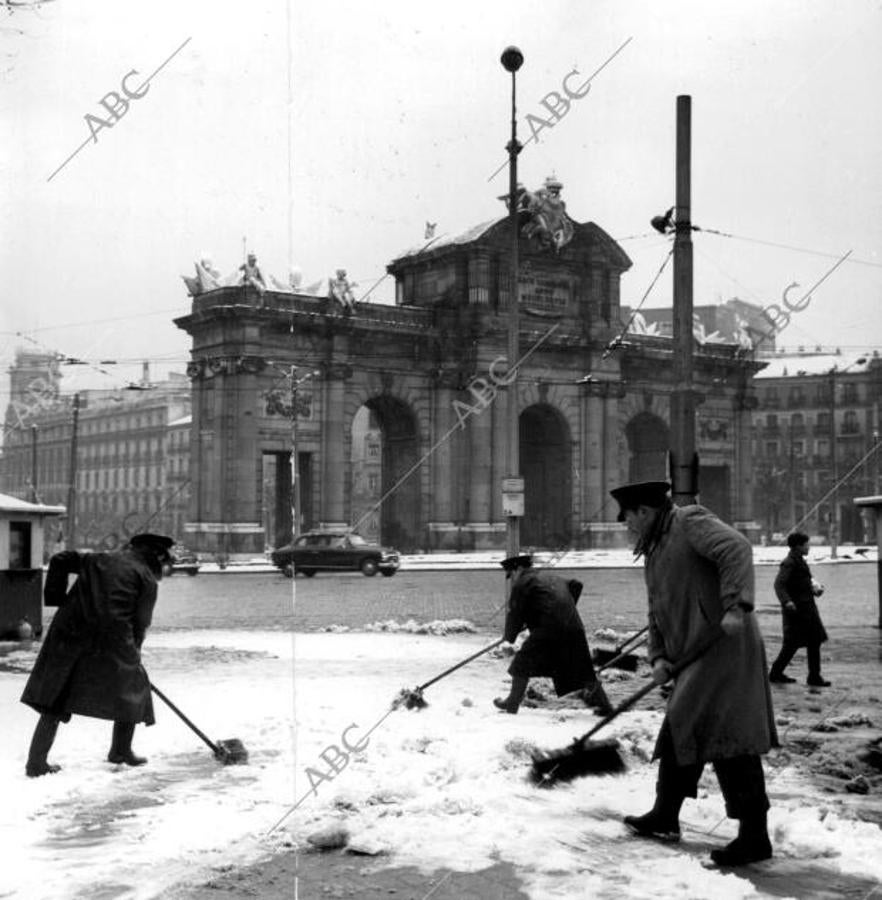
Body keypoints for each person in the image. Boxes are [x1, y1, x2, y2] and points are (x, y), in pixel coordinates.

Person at [610, 480, 777, 867]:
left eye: (629, 519)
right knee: (681, 725)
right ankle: (665, 814)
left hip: (725, 648)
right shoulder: (654, 547)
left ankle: (755, 837)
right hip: (691, 656)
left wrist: (737, 605)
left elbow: (736, 548)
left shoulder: (689, 522)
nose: (628, 528)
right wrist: (658, 658)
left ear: (646, 512)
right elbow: (657, 611)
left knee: (730, 739)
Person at [20, 533, 175, 777]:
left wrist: (56, 599)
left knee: (57, 696)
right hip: (112, 639)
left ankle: (36, 763)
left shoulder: (97, 559)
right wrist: (134, 655)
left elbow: (59, 559)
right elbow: (140, 623)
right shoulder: (146, 578)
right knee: (134, 689)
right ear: (156, 556)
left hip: (70, 633)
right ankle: (121, 751)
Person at [494, 553, 612, 716]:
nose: (512, 579)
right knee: (583, 670)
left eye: (511, 574)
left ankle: (511, 705)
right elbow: (576, 585)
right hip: (573, 627)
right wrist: (564, 610)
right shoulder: (552, 577)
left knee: (521, 664)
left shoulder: (522, 583)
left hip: (548, 629)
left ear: (519, 569)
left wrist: (508, 638)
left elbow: (515, 614)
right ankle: (606, 708)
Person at [769, 531, 830, 687]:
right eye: (806, 544)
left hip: (806, 609)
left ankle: (813, 676)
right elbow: (779, 584)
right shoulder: (789, 562)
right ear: (798, 546)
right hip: (797, 611)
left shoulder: (799, 561)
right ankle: (777, 673)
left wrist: (814, 590)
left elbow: (802, 583)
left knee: (812, 642)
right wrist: (787, 601)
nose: (809, 547)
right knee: (793, 643)